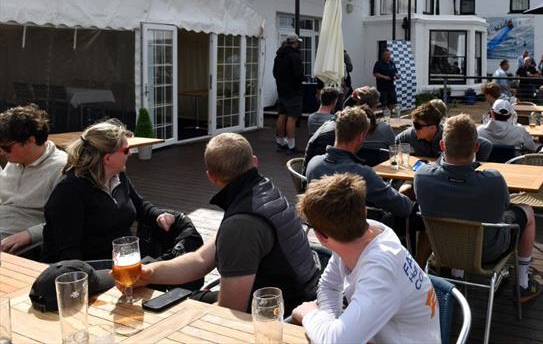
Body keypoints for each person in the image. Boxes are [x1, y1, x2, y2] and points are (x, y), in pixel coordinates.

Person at [126, 133, 318, 311]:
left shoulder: (242, 225)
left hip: (280, 314)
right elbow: (200, 260)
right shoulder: (262, 191)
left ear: (211, 176)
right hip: (299, 296)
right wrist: (148, 272)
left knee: (178, 309)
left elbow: (229, 311)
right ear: (254, 162)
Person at [292, 173, 440, 343]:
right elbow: (330, 286)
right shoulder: (360, 232)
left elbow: (337, 342)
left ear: (320, 237)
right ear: (364, 211)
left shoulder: (380, 271)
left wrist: (310, 314)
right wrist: (329, 324)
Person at [414, 114, 542, 302]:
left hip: (443, 248)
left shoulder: (422, 177)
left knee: (455, 209)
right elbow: (505, 206)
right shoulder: (493, 180)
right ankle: (523, 284)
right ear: (476, 147)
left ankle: (457, 275)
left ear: (442, 146)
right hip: (488, 252)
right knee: (527, 211)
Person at [42, 120, 176, 262]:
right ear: (107, 158)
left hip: (123, 260)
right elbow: (69, 254)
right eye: (126, 150)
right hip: (91, 269)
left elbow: (139, 205)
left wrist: (158, 215)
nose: (130, 154)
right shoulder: (70, 191)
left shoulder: (117, 176)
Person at [306, 107, 413, 219]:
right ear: (362, 136)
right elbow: (404, 208)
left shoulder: (314, 164)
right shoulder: (362, 174)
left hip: (321, 228)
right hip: (354, 232)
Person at [0, 105, 66, 254]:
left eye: (6, 147)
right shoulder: (16, 160)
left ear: (30, 141)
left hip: (18, 242)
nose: (2, 152)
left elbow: (65, 221)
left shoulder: (61, 168)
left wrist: (29, 235)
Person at [273, 34, 304, 154]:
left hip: (281, 91)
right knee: (292, 118)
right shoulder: (294, 56)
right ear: (295, 43)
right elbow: (299, 75)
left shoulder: (279, 56)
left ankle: (280, 142)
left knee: (281, 116)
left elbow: (275, 73)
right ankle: (291, 146)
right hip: (293, 92)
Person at [373, 49, 398, 115]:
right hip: (382, 87)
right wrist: (384, 77)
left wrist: (397, 75)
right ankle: (386, 115)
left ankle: (390, 113)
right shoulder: (378, 63)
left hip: (391, 86)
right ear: (383, 56)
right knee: (384, 102)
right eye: (386, 54)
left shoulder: (392, 63)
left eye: (389, 54)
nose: (388, 56)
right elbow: (375, 74)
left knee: (393, 101)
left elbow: (395, 72)